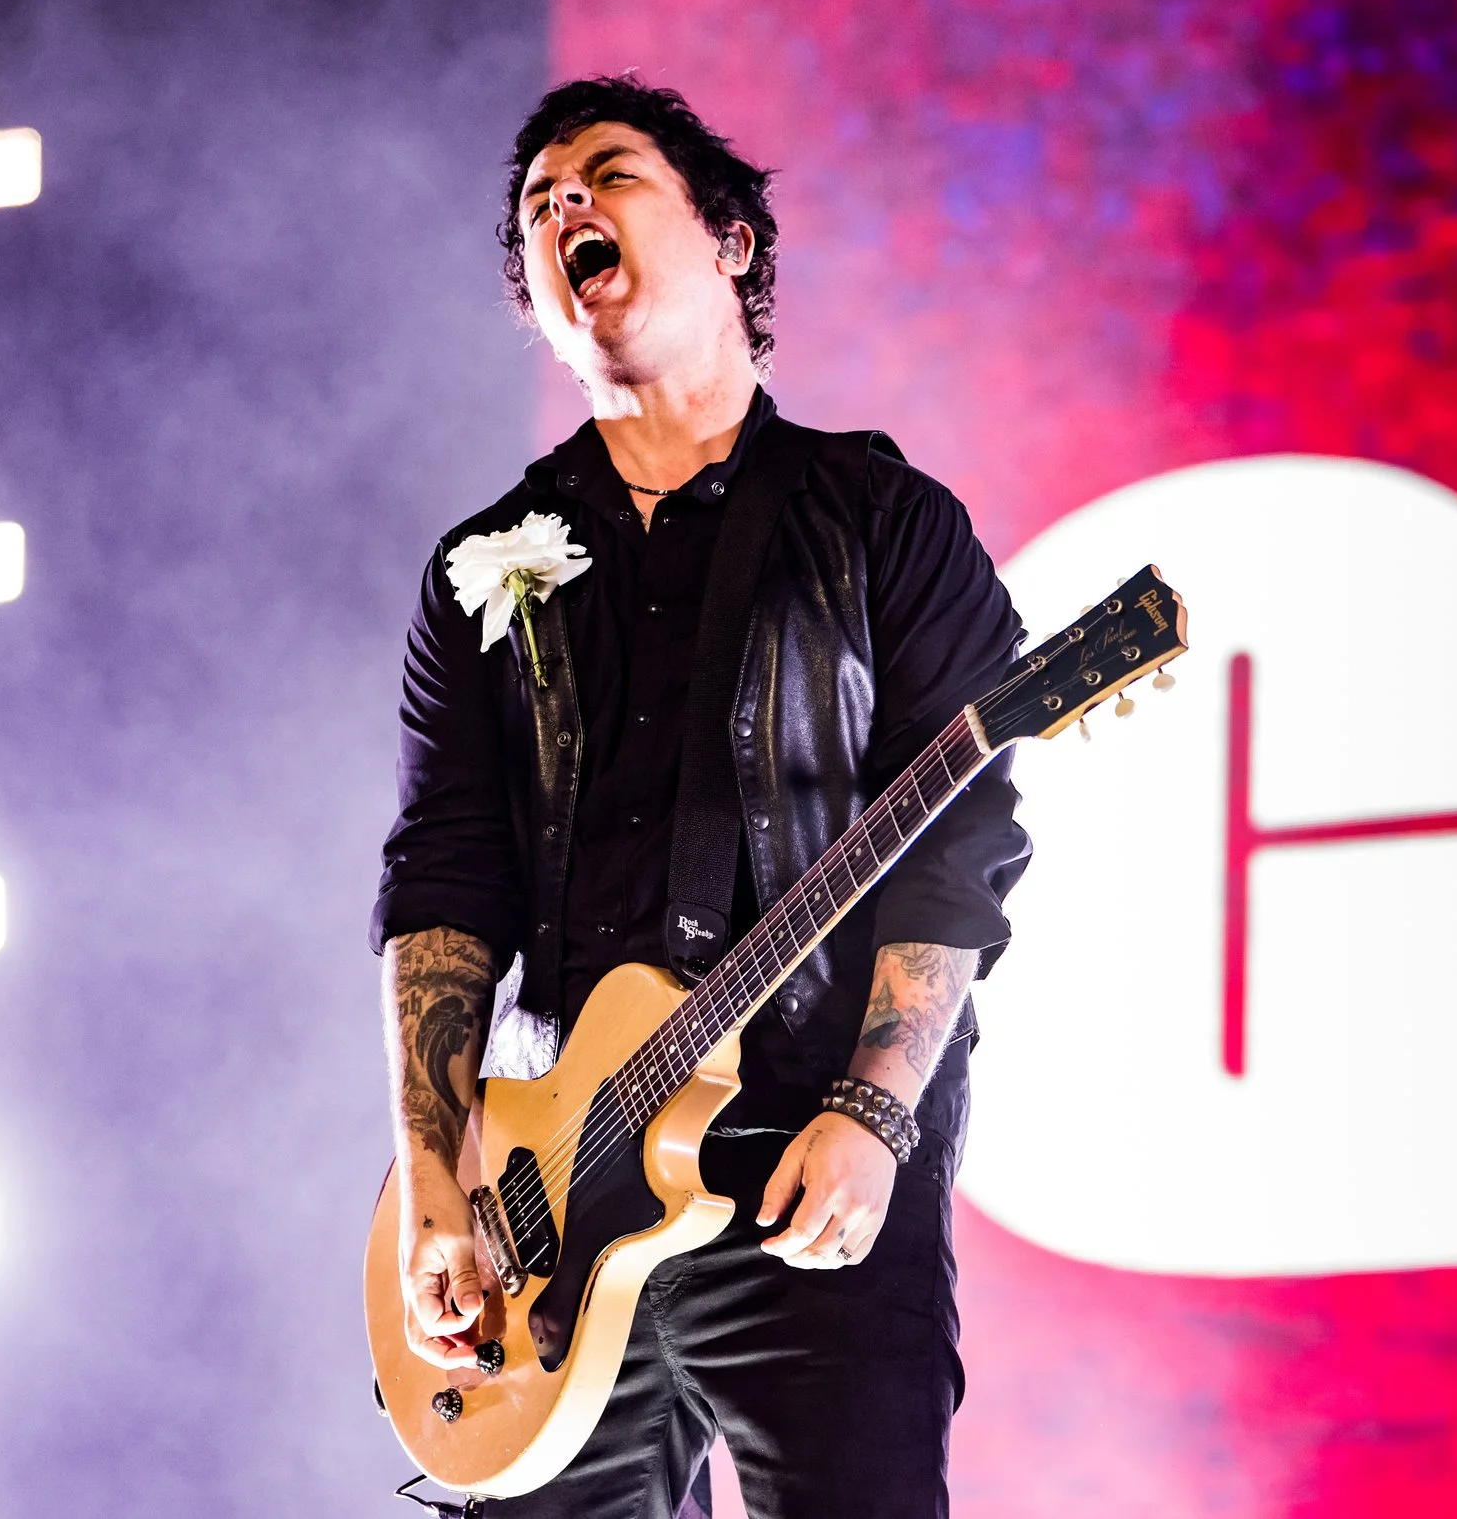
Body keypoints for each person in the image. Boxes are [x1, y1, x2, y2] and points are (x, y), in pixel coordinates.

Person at [372, 76, 1031, 1519]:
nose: (565, 208)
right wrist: (436, 1180)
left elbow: (958, 849)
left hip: (805, 1162)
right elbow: (442, 880)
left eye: (606, 177)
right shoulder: (482, 565)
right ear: (538, 299)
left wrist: (873, 1105)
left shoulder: (879, 522)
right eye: (539, 205)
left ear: (732, 240)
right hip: (547, 1204)